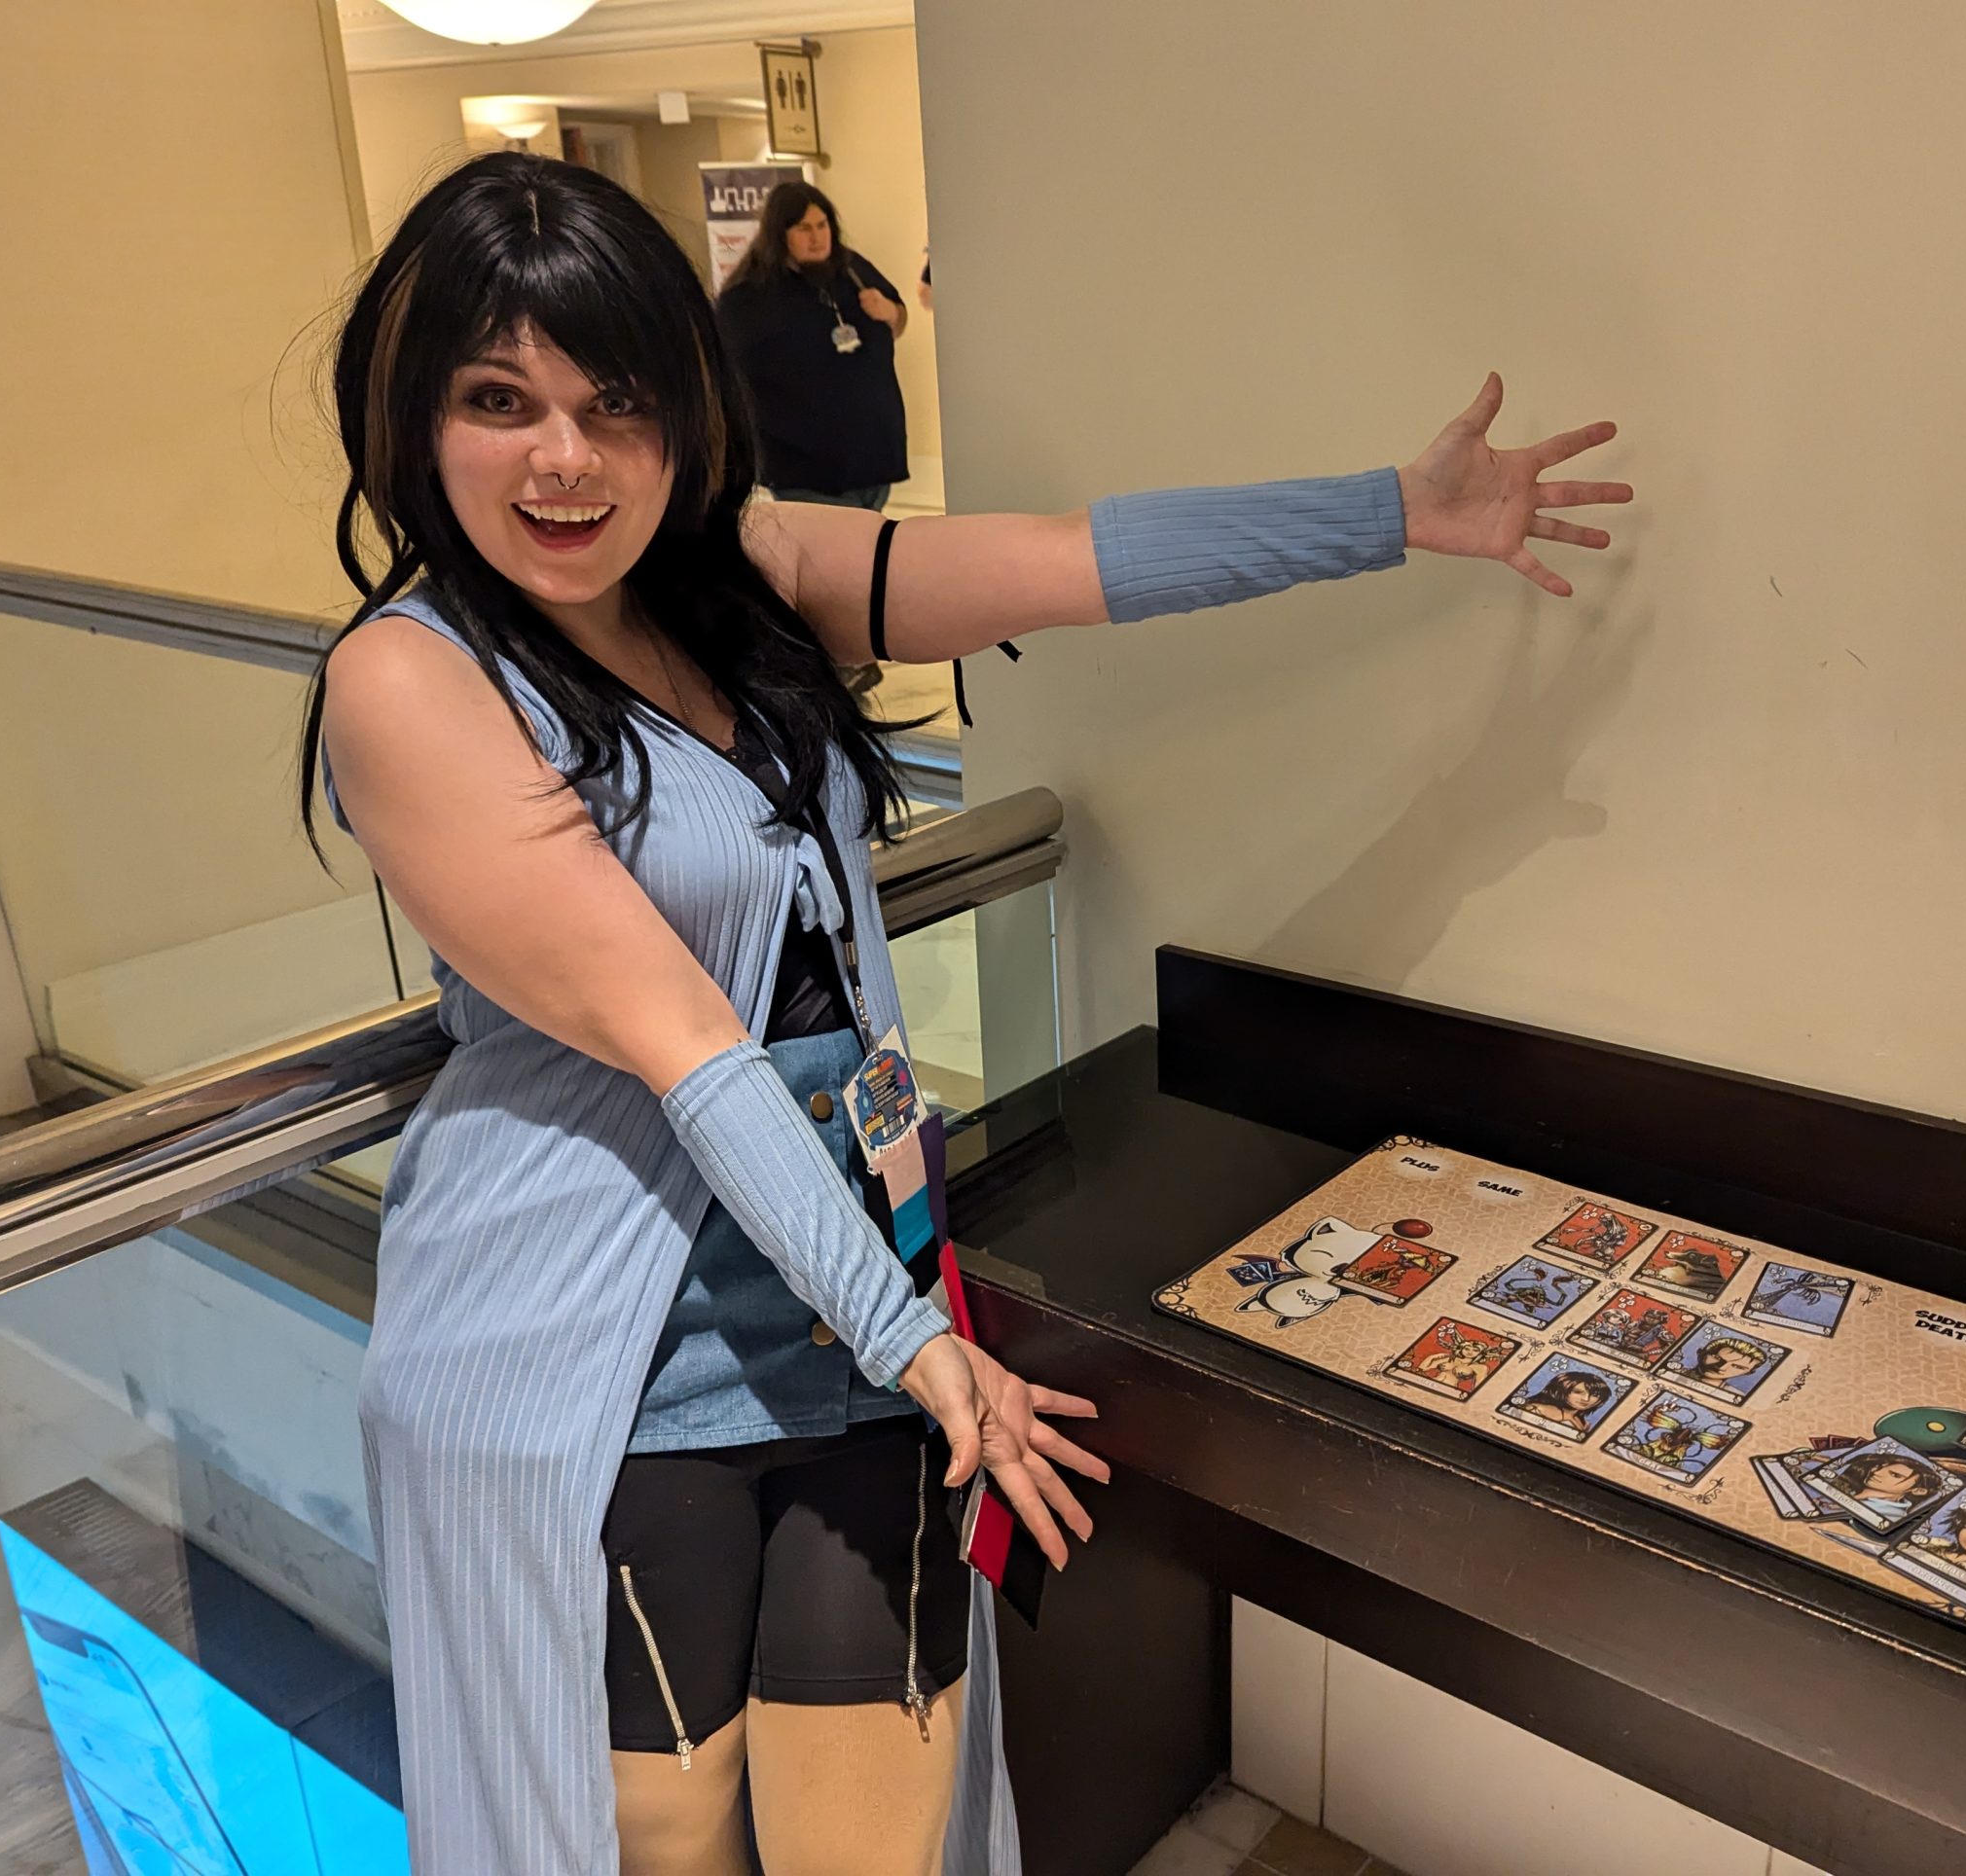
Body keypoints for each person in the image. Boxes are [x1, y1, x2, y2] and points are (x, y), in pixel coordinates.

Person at [301, 151, 1626, 1875]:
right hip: (594, 1351)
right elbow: (687, 1042)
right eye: (501, 401)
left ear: (684, 415)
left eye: (612, 402)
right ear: (417, 419)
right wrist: (925, 1342)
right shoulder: (411, 675)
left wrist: (1396, 509)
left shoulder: (739, 568)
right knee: (651, 1840)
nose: (565, 459)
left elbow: (1070, 561)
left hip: (849, 1311)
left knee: (881, 1828)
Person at [714, 180, 910, 512]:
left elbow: (899, 321)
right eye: (804, 228)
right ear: (779, 234)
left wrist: (891, 312)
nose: (817, 237)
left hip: (873, 458)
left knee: (868, 554)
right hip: (805, 469)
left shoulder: (851, 269)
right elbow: (726, 378)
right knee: (834, 559)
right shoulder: (749, 298)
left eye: (822, 226)